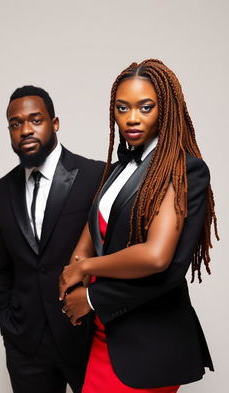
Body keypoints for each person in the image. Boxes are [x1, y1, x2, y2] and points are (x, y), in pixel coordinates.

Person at [59, 59, 219, 393]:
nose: (132, 118)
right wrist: (72, 274)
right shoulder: (119, 170)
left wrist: (88, 287)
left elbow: (158, 260)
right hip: (104, 336)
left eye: (145, 107)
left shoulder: (183, 170)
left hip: (147, 347)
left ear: (166, 109)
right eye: (122, 108)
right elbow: (97, 226)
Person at [0, 85, 104, 393]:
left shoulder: (96, 175)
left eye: (35, 119)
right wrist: (8, 326)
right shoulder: (0, 191)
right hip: (26, 345)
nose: (25, 129)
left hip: (85, 337)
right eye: (16, 123)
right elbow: (3, 268)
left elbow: (113, 255)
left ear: (54, 123)